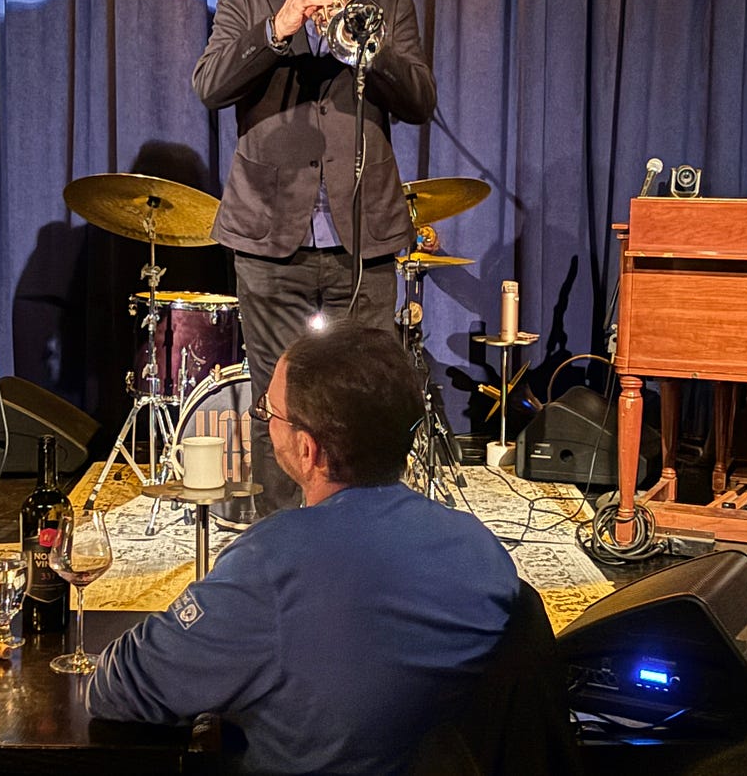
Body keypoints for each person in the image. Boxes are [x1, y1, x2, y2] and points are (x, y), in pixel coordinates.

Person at [84, 324, 520, 775]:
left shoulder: (269, 565)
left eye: (268, 411)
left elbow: (119, 689)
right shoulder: (483, 550)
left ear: (308, 450)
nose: (264, 420)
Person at [192, 0, 437, 519]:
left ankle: (363, 546)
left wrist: (363, 51)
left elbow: (419, 100)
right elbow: (210, 86)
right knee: (282, 409)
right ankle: (287, 549)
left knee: (366, 407)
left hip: (364, 241)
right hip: (270, 240)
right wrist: (279, 28)